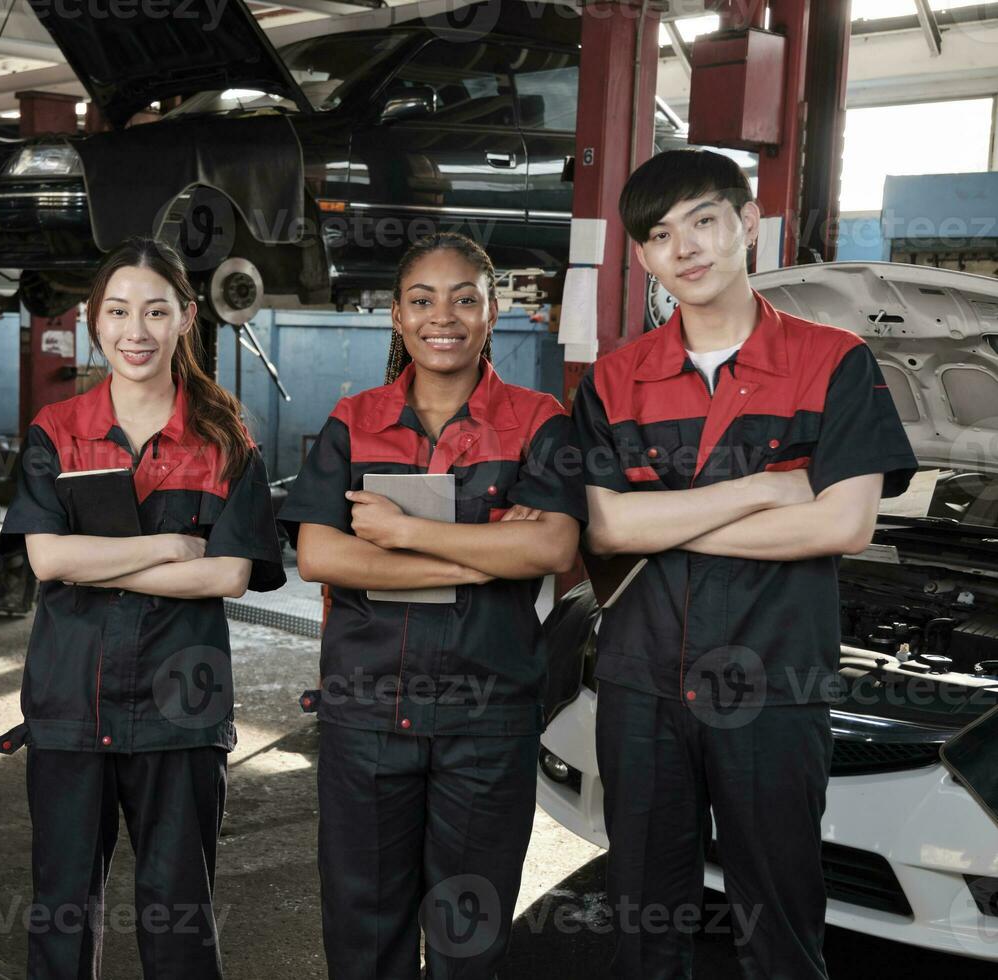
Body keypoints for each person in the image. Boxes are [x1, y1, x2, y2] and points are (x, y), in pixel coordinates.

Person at [572, 149, 918, 978]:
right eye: (659, 235)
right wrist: (767, 487)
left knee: (781, 920)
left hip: (774, 686)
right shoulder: (615, 381)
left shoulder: (833, 362)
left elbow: (842, 523)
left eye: (703, 220)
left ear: (747, 225)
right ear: (645, 257)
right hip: (643, 684)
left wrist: (657, 523)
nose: (684, 247)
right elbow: (604, 527)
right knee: (644, 923)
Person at [279, 232, 585, 980]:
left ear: (492, 311)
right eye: (421, 300)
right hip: (366, 716)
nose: (441, 317)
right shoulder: (354, 421)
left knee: (469, 940)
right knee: (363, 936)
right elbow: (320, 554)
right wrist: (481, 558)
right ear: (396, 315)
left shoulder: (538, 421)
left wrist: (406, 534)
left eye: (464, 299)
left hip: (487, 721)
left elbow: (549, 549)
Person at [0, 236, 285, 979]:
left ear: (186, 317)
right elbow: (48, 560)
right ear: (95, 321)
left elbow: (225, 576)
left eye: (156, 311)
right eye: (119, 311)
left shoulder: (224, 438)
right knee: (61, 908)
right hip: (69, 700)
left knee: (178, 911)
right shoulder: (56, 433)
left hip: (180, 706)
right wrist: (166, 548)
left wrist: (104, 563)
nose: (137, 330)